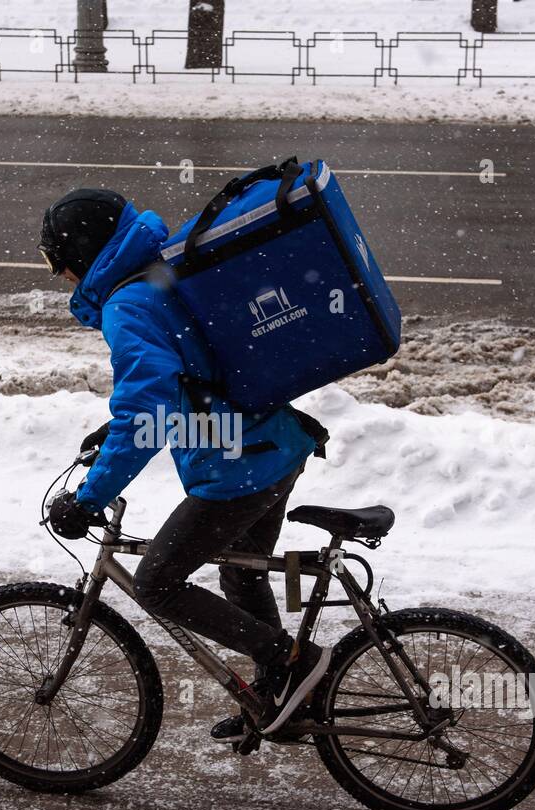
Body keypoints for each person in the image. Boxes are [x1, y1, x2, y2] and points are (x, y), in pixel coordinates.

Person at [39, 187, 330, 740]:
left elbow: (147, 405)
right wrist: (119, 429)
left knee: (158, 584)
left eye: (58, 263)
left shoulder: (128, 304)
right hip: (273, 445)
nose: (61, 278)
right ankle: (289, 696)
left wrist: (90, 498)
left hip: (236, 468)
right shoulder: (163, 270)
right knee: (241, 572)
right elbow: (185, 377)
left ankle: (296, 661)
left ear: (81, 255)